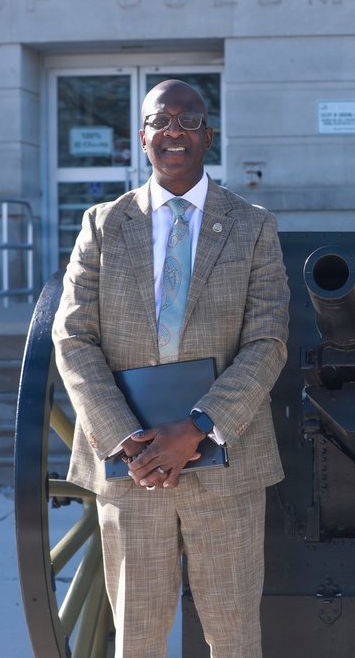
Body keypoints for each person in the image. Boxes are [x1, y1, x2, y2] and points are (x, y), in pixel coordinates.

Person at [53, 79, 290, 658]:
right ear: (142, 137)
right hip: (130, 472)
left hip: (225, 468)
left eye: (187, 121)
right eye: (160, 122)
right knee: (137, 639)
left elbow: (267, 342)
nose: (173, 133)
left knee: (234, 639)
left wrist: (197, 427)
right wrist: (126, 438)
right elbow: (72, 337)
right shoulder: (103, 226)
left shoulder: (253, 226)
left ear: (208, 134)